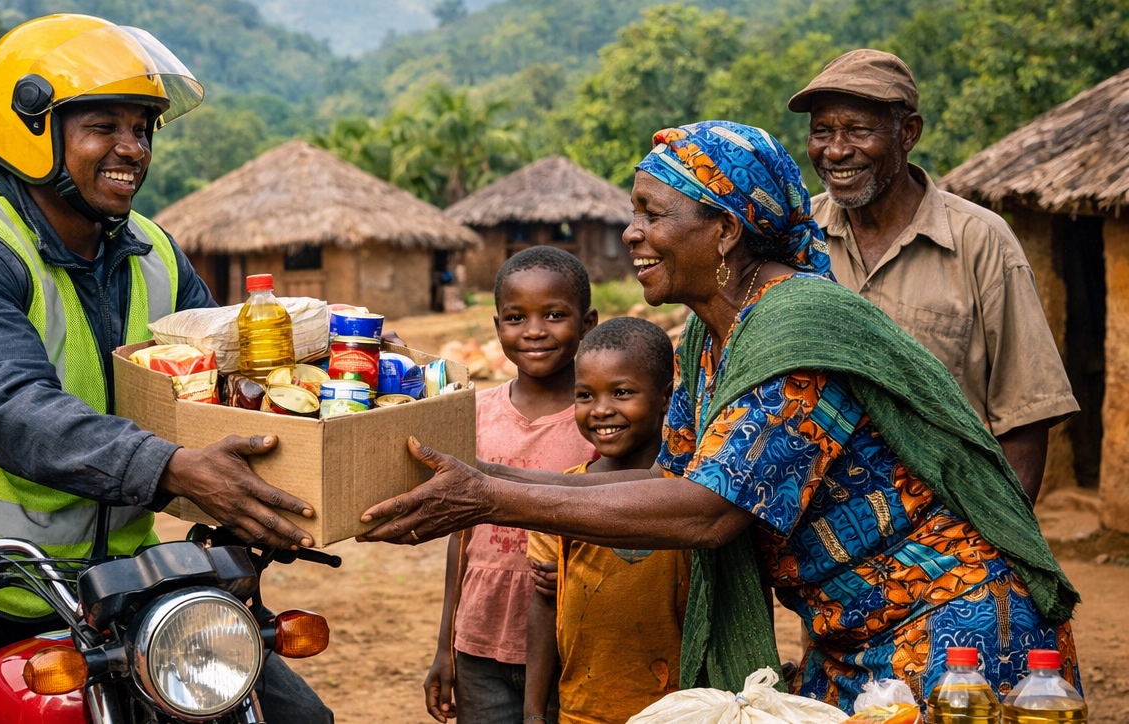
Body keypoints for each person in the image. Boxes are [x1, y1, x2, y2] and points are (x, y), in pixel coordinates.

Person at [359, 121, 1082, 714]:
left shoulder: (797, 332)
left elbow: (707, 512)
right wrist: (485, 477)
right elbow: (667, 478)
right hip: (848, 633)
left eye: (651, 213)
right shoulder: (710, 338)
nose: (632, 233)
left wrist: (492, 498)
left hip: (951, 631)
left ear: (728, 232)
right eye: (632, 212)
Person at [0, 15, 330, 722]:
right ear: (32, 130)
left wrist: (339, 380)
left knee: (297, 718)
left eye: (144, 129)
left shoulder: (155, 253)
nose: (132, 148)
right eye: (105, 126)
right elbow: (18, 412)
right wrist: (175, 469)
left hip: (118, 581)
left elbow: (219, 384)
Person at [789, 49, 1077, 502]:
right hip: (810, 530)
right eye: (821, 132)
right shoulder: (794, 236)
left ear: (908, 133)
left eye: (858, 131)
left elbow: (1025, 416)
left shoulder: (981, 241)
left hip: (943, 534)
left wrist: (997, 543)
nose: (836, 150)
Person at [425, 246, 599, 724]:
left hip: (573, 642)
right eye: (516, 317)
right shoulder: (474, 414)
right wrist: (446, 645)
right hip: (479, 642)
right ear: (497, 324)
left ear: (588, 323)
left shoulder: (602, 422)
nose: (535, 331)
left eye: (554, 315)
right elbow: (459, 539)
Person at [523, 317, 690, 724]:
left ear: (665, 398)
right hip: (583, 709)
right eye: (585, 395)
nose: (601, 410)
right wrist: (531, 712)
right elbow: (545, 606)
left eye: (622, 392)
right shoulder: (561, 494)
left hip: (682, 709)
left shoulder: (690, 494)